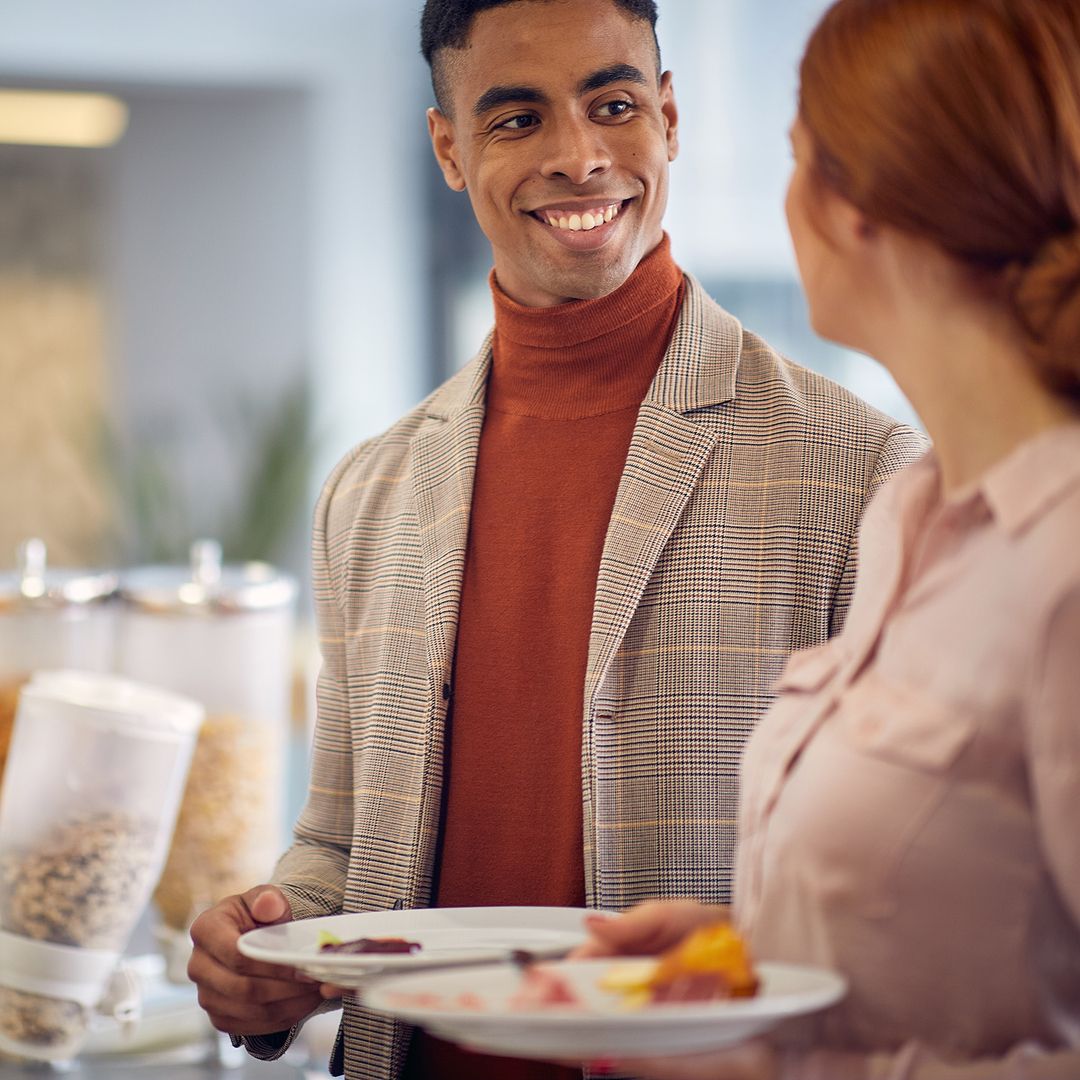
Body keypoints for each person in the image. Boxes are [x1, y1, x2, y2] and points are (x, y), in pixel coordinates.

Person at [186, 1, 926, 1078]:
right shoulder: (371, 490)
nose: (579, 159)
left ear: (669, 115)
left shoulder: (857, 465)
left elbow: (912, 876)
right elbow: (347, 847)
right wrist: (266, 942)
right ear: (450, 149)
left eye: (614, 105)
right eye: (516, 120)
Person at [573, 0, 1080, 1077]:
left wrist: (784, 1067)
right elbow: (969, 924)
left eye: (799, 158)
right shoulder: (909, 517)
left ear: (858, 210)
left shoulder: (1065, 565)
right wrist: (751, 961)